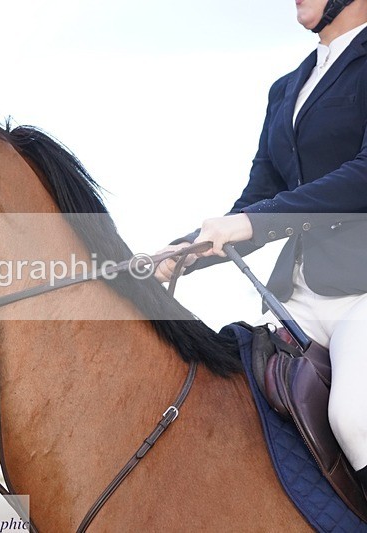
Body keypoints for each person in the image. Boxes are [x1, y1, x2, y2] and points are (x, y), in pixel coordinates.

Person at [155, 0, 367, 496]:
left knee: (354, 417)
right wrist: (183, 252)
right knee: (230, 404)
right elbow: (260, 197)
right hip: (297, 295)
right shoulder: (287, 88)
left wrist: (252, 222)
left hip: (363, 292)